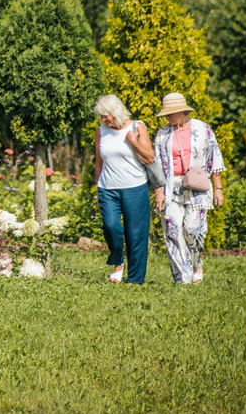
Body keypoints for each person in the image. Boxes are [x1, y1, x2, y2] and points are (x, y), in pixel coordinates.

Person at [152, 93, 225, 284]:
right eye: (166, 114)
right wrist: (158, 192)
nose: (167, 118)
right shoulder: (162, 133)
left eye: (170, 114)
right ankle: (181, 277)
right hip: (171, 187)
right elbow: (156, 164)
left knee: (194, 230)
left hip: (196, 185)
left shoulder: (203, 129)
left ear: (182, 111)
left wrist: (218, 188)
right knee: (173, 230)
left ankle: (196, 262)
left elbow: (214, 158)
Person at [93, 94, 154, 284]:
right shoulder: (100, 132)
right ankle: (118, 261)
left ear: (116, 111)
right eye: (101, 116)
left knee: (136, 234)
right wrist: (97, 189)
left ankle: (135, 280)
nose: (103, 119)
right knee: (110, 226)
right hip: (107, 188)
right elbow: (98, 163)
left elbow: (149, 158)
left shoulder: (137, 127)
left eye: (106, 115)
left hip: (135, 187)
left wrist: (133, 142)